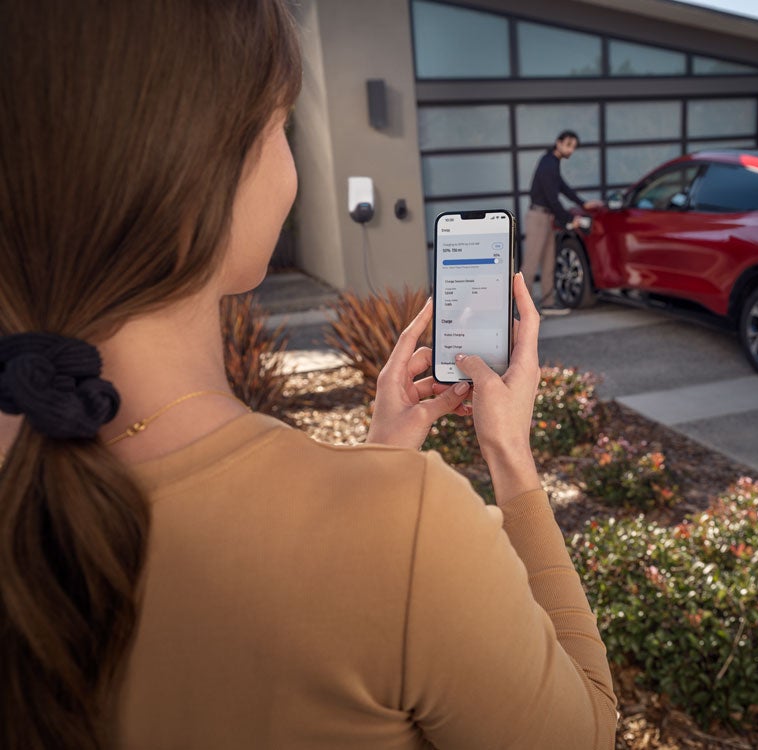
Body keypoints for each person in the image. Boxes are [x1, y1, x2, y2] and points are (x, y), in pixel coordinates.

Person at [0, 2, 617, 749]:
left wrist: (379, 462)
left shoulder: (25, 467)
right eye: (279, 129)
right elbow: (584, 733)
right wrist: (509, 457)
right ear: (198, 177)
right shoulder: (409, 530)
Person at [521, 130, 604, 315]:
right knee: (530, 264)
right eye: (568, 145)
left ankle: (548, 303)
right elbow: (552, 197)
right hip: (538, 217)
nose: (570, 150)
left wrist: (582, 203)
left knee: (549, 260)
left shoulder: (553, 162)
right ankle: (522, 310)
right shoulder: (547, 163)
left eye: (573, 147)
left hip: (548, 217)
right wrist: (569, 219)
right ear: (558, 143)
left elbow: (563, 187)